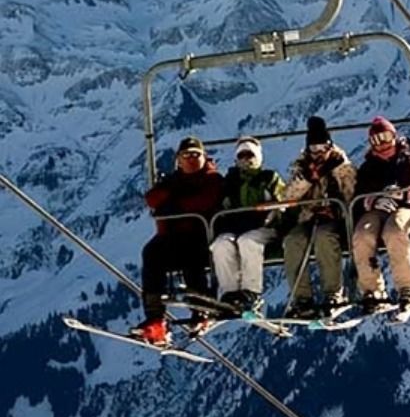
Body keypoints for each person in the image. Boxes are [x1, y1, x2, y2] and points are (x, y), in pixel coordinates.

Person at [131, 136, 223, 345]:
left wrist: (174, 202)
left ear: (204, 157)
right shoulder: (174, 181)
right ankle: (156, 318)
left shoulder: (212, 178)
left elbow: (204, 201)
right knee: (152, 253)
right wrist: (173, 196)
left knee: (192, 257)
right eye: (186, 155)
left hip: (203, 237)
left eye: (196, 155)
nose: (191, 159)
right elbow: (152, 199)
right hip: (174, 238)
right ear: (178, 160)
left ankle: (201, 310)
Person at [352, 116, 410, 314]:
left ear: (394, 137)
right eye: (376, 140)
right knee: (362, 235)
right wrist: (373, 200)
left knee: (394, 231)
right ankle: (372, 290)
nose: (383, 144)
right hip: (377, 209)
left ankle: (408, 288)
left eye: (386, 137)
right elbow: (359, 195)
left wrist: (407, 195)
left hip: (405, 208)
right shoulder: (368, 168)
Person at [282, 116, 356, 318]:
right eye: (313, 149)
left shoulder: (341, 164)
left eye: (322, 147)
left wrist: (338, 176)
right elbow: (288, 197)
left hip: (335, 217)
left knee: (324, 238)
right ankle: (302, 298)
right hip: (309, 216)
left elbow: (351, 195)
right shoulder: (301, 167)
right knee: (293, 241)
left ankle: (334, 293)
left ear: (330, 145)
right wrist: (305, 180)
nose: (318, 153)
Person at [210, 136, 285, 316]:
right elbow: (223, 206)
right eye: (241, 156)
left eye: (249, 155)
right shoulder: (231, 181)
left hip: (265, 227)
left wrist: (274, 214)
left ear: (258, 157)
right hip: (237, 227)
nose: (245, 160)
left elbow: (283, 201)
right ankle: (230, 293)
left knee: (248, 241)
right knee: (221, 244)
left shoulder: (268, 178)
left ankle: (251, 292)